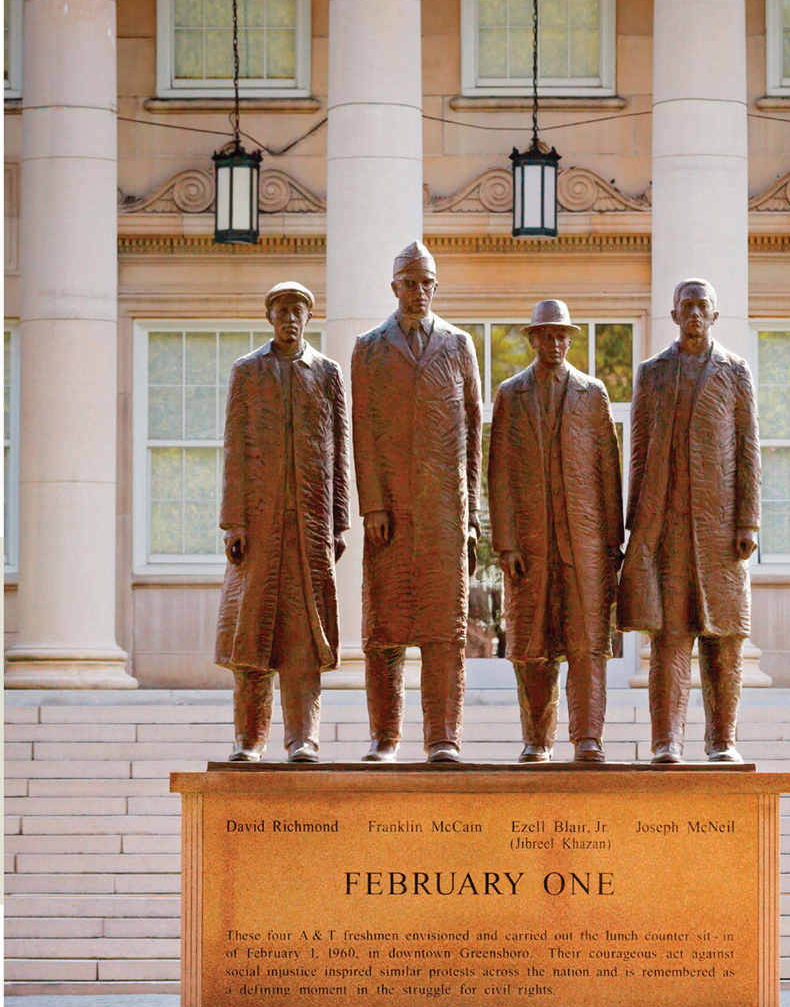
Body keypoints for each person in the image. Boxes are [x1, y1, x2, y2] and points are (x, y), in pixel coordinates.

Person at [617, 279, 761, 764]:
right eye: (687, 307)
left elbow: (747, 449)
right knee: (670, 639)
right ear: (674, 315)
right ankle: (667, 741)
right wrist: (635, 527)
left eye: (703, 306)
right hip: (667, 527)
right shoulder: (652, 373)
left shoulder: (735, 372)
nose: (695, 313)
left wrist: (749, 523)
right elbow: (638, 450)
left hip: (721, 530)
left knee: (724, 639)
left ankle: (722, 739)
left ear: (714, 316)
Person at [351, 242, 483, 763]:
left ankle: (442, 738)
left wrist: (471, 517)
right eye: (410, 282)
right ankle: (385, 737)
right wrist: (373, 505)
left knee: (444, 632)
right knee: (383, 631)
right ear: (394, 286)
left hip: (445, 513)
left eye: (428, 282)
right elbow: (361, 429)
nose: (420, 291)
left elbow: (473, 433)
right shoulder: (369, 347)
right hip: (390, 515)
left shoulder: (458, 345)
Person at [215, 281, 350, 762]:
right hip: (258, 528)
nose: (290, 319)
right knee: (250, 637)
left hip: (309, 530)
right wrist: (233, 521)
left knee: (303, 638)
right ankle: (249, 740)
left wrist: (338, 523)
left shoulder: (327, 373)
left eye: (298, 311)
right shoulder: (247, 373)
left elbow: (339, 452)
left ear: (308, 318)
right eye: (282, 311)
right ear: (270, 317)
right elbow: (234, 449)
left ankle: (302, 739)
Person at [487, 299, 624, 763]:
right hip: (529, 543)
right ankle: (536, 739)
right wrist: (504, 542)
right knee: (532, 647)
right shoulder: (511, 393)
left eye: (563, 335)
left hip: (584, 544)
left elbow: (609, 470)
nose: (556, 342)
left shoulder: (593, 393)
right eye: (547, 334)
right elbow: (499, 472)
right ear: (532, 339)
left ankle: (588, 736)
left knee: (588, 646)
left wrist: (611, 543)